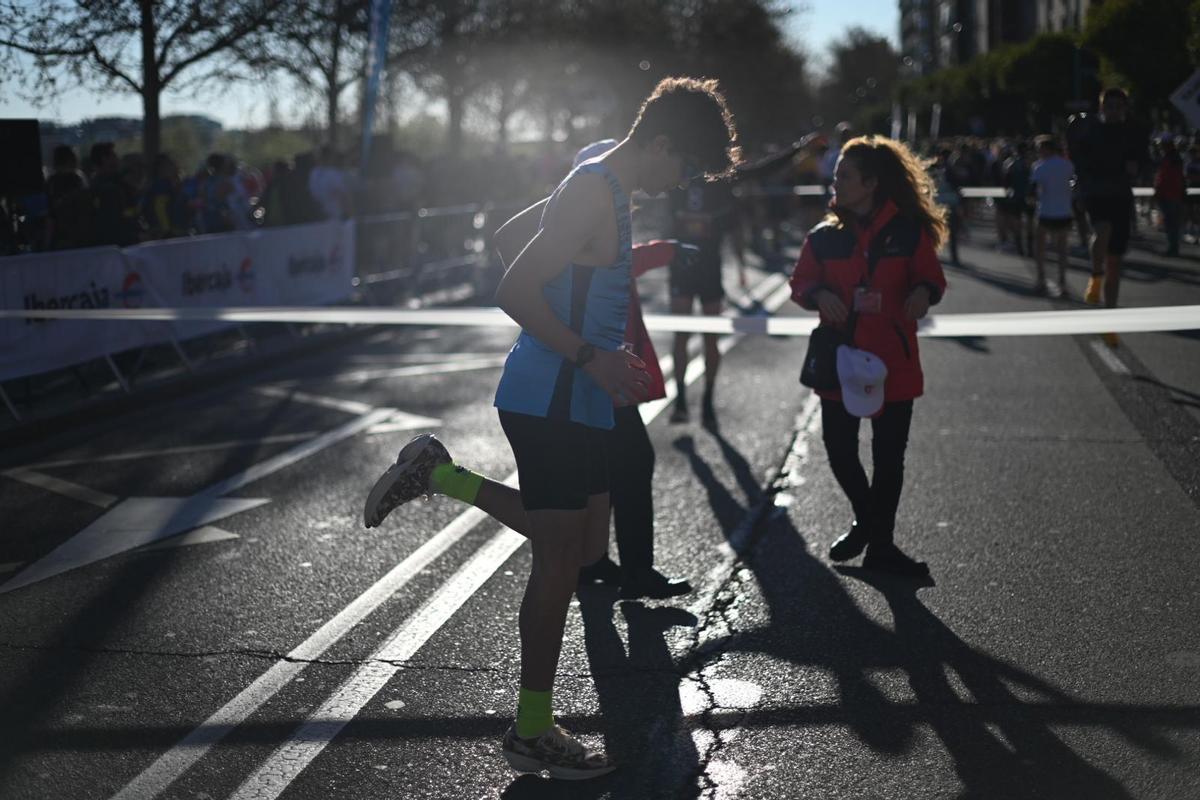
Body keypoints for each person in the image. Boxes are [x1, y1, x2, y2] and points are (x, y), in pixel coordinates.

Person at [362, 77, 739, 779]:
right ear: (660, 143)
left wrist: (587, 333)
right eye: (684, 168)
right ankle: (531, 729)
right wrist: (587, 351)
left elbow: (512, 239)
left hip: (583, 398)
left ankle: (436, 473)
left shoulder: (601, 187)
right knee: (561, 561)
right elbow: (512, 287)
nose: (680, 185)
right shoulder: (594, 189)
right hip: (552, 396)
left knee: (586, 545)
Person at [789, 135, 948, 577]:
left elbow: (931, 277)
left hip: (892, 359)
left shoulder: (907, 231)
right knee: (839, 449)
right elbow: (799, 282)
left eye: (843, 175)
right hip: (839, 359)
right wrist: (818, 293)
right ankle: (869, 522)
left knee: (888, 457)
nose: (833, 180)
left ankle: (881, 547)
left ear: (871, 183)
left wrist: (921, 292)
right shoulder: (823, 237)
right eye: (835, 173)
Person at [666, 144, 747, 424]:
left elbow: (735, 226)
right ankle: (679, 400)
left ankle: (708, 400)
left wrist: (741, 264)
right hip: (682, 268)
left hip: (710, 268)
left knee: (711, 335)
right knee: (681, 335)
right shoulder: (674, 178)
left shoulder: (721, 181)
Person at [1067, 88, 1148, 347]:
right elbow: (1077, 156)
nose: (1113, 110)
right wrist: (1079, 186)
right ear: (1101, 108)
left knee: (1117, 261)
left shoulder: (1132, 132)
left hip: (1120, 194)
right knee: (1101, 230)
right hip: (1095, 191)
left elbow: (1141, 160)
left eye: (1118, 106)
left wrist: (1136, 166)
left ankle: (1110, 321)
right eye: (1109, 105)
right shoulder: (1089, 130)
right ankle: (1095, 276)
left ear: (1125, 109)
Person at [1030, 135, 1075, 296]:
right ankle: (1062, 281)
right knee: (1062, 249)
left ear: (1045, 149)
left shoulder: (1039, 167)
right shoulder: (1067, 165)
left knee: (1040, 248)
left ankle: (1041, 279)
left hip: (1046, 211)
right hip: (1064, 211)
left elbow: (1034, 190)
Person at [1154, 137, 1185, 257]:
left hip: (1169, 194)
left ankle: (1173, 247)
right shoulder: (1174, 158)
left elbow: (1165, 177)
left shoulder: (1171, 159)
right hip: (1172, 194)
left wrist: (1158, 189)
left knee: (1171, 222)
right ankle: (1173, 246)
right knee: (1172, 222)